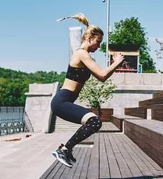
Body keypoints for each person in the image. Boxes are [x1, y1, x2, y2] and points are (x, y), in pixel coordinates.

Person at [51, 13, 125, 168]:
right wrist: (116, 62)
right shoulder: (82, 54)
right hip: (61, 101)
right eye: (98, 42)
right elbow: (103, 75)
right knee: (95, 121)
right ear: (90, 38)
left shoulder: (84, 56)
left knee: (94, 122)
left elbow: (101, 77)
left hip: (64, 101)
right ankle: (64, 149)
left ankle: (65, 149)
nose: (98, 46)